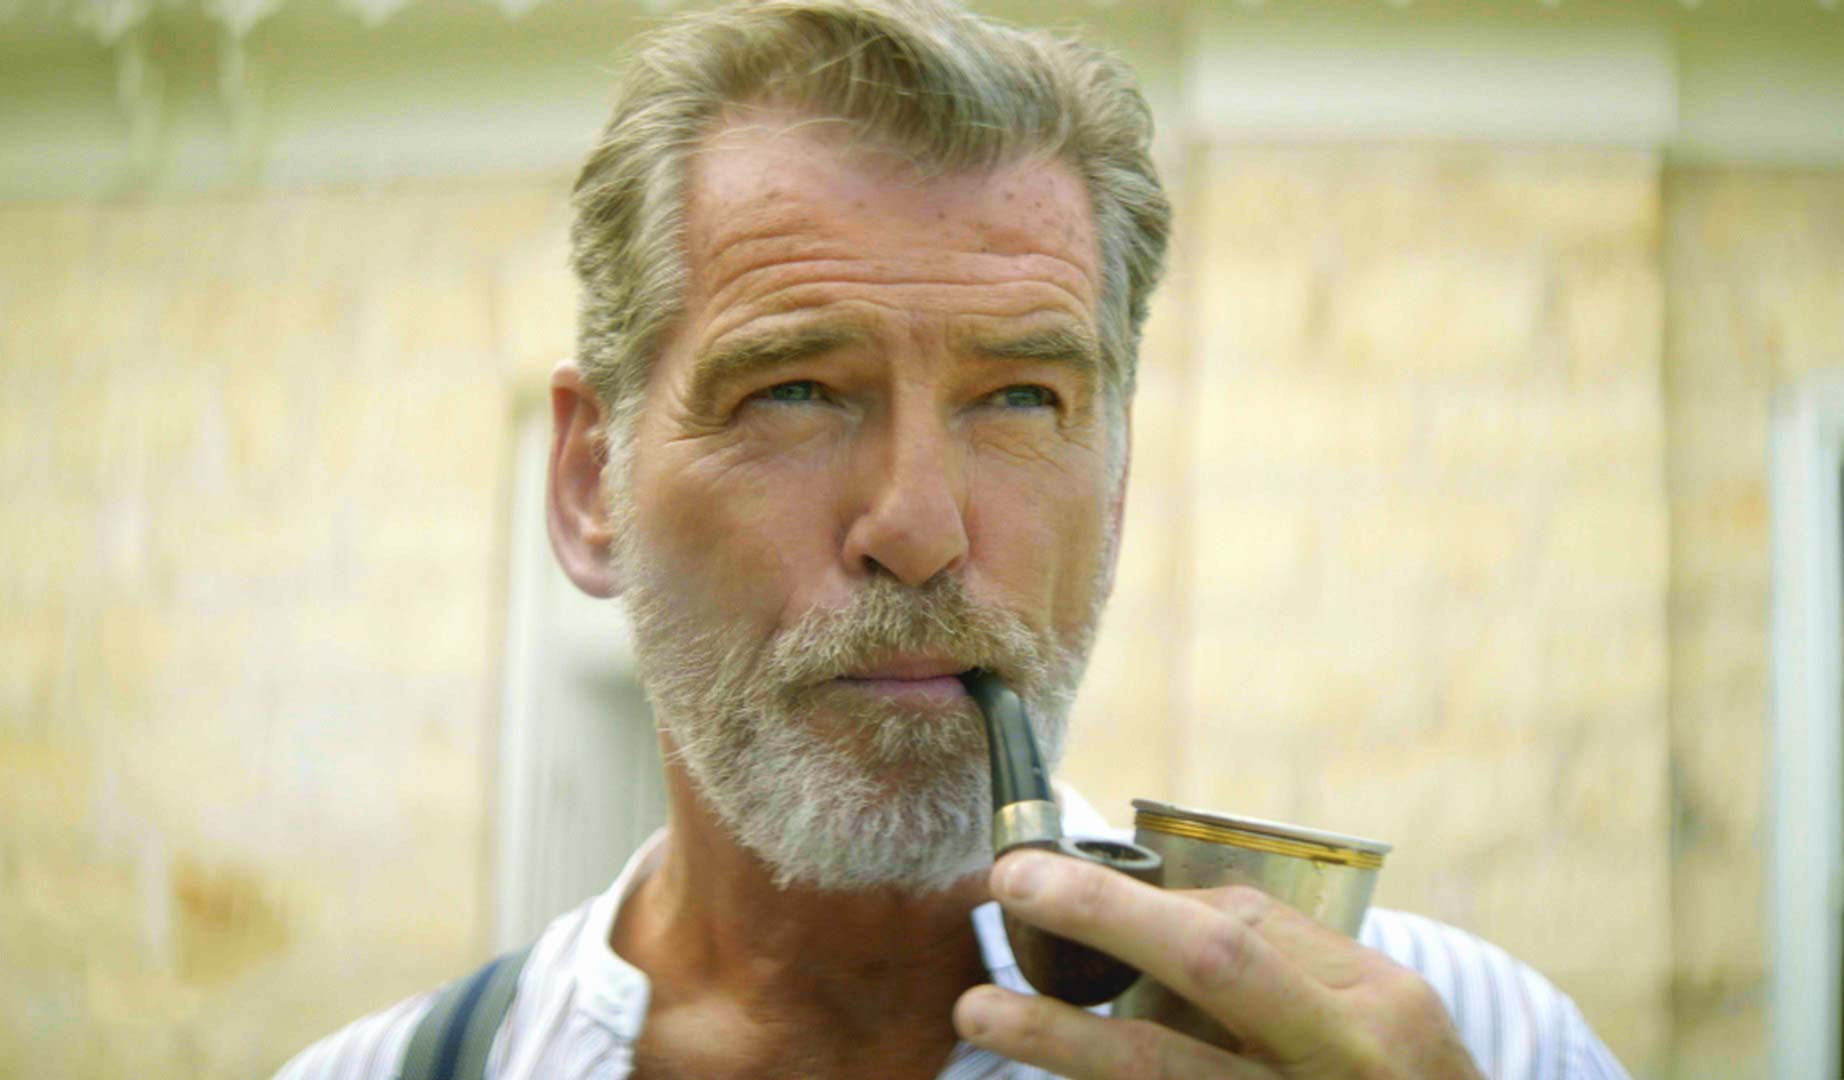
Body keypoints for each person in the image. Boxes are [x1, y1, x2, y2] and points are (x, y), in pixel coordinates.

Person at [278, 1, 1630, 1077]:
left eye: (1021, 399)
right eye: (795, 392)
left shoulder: (1475, 1043)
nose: (919, 531)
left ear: (1116, 482)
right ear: (591, 486)